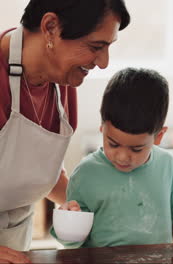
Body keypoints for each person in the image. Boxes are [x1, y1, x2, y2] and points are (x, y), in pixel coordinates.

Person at [0, 0, 130, 262]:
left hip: (14, 240)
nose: (104, 63)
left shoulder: (63, 81)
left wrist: (91, 209)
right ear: (50, 27)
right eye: (96, 47)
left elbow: (34, 171)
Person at [52, 68, 173, 248]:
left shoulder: (167, 166)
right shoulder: (86, 173)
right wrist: (68, 224)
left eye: (136, 149)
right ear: (102, 129)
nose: (123, 157)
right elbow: (73, 244)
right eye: (113, 144)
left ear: (159, 136)